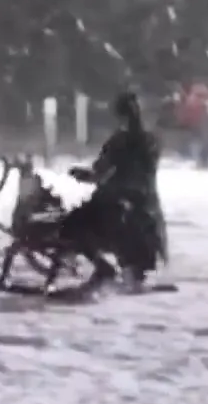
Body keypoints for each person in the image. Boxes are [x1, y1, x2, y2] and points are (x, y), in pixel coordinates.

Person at [67, 90, 164, 286]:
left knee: (72, 224)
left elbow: (99, 172)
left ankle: (103, 268)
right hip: (147, 202)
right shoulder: (152, 139)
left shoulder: (119, 140)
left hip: (117, 199)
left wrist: (79, 174)